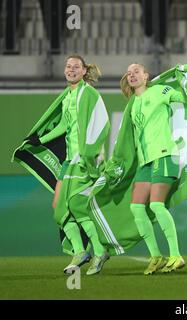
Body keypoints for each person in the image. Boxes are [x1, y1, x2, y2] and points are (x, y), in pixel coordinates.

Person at [21, 55, 110, 275]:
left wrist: (90, 154)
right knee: (59, 209)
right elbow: (63, 125)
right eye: (68, 67)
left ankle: (98, 251)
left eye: (76, 67)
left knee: (76, 205)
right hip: (69, 160)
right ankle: (81, 251)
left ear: (83, 71)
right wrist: (40, 140)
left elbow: (102, 123)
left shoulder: (88, 93)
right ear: (65, 71)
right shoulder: (67, 97)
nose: (71, 70)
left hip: (84, 159)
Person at [119, 63, 186, 274]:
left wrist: (186, 82)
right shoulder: (133, 104)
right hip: (145, 161)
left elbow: (182, 98)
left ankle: (176, 255)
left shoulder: (159, 91)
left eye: (136, 71)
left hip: (165, 154)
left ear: (146, 76)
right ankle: (156, 255)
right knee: (136, 208)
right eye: (128, 73)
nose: (131, 75)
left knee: (157, 205)